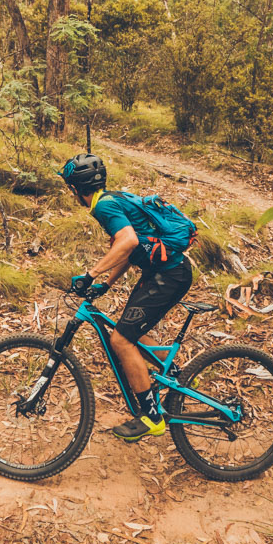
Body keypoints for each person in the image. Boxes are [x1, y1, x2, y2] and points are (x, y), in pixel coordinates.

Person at [59, 153, 194, 443]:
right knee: (130, 333)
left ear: (75, 188)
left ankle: (152, 417)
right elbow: (129, 250)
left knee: (121, 340)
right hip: (164, 272)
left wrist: (91, 274)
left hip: (169, 275)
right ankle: (178, 376)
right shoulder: (111, 200)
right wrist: (106, 284)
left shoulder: (104, 207)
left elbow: (128, 242)